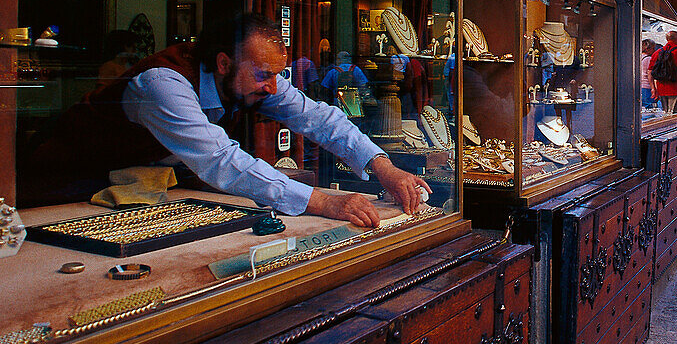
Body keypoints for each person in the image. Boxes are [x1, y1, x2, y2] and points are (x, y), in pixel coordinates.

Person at [31, 13, 428, 225]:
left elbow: (321, 119)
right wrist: (324, 202)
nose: (273, 87)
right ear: (223, 62)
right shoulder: (162, 84)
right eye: (262, 75)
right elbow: (221, 160)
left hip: (133, 196)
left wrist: (383, 167)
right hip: (59, 189)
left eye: (277, 74)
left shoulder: (254, 80)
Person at [651, 30, 677, 112]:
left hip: (661, 88)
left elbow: (650, 71)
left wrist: (653, 88)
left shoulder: (658, 52)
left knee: (665, 113)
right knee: (676, 114)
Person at [640, 38, 658, 106]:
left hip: (640, 86)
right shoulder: (648, 59)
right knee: (649, 108)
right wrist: (653, 88)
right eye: (653, 48)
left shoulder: (639, 57)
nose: (654, 50)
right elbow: (650, 74)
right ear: (647, 48)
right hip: (647, 86)